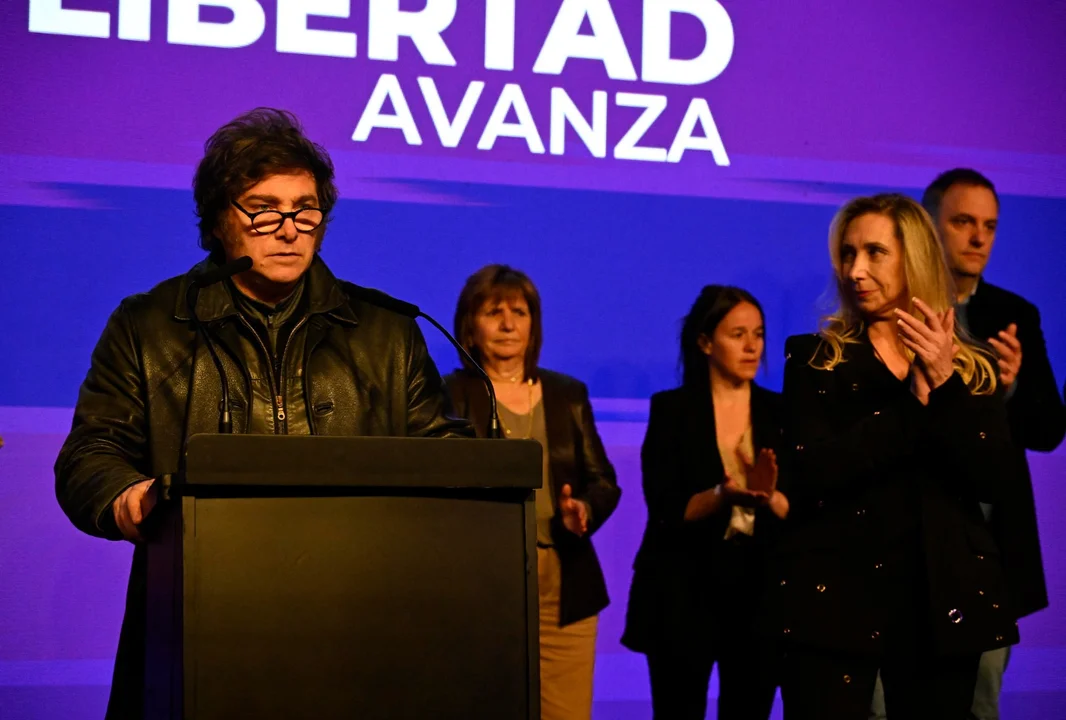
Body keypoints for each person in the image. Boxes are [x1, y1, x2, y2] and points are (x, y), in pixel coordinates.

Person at [54, 108, 472, 719]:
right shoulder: (150, 326)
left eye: (305, 210)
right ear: (219, 219)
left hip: (358, 625)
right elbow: (91, 454)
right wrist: (131, 498)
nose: (289, 229)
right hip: (197, 619)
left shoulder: (387, 332)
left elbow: (441, 459)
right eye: (264, 209)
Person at [771, 194, 1017, 720]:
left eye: (874, 253)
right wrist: (910, 408)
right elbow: (813, 472)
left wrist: (945, 385)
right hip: (835, 603)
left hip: (940, 603)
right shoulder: (815, 359)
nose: (855, 270)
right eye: (847, 253)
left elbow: (995, 480)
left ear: (914, 259)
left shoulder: (971, 366)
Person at [443, 264, 621, 720]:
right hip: (484, 580)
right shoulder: (451, 395)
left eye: (519, 313)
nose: (508, 325)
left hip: (564, 580)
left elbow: (603, 481)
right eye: (494, 313)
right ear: (470, 326)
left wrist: (583, 510)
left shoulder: (567, 394)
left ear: (533, 324)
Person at [621, 285, 788, 720]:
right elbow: (666, 508)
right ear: (705, 342)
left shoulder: (781, 412)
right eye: (738, 334)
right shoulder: (672, 410)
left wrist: (769, 496)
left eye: (758, 334)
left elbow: (801, 507)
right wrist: (721, 495)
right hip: (684, 591)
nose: (752, 346)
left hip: (759, 594)